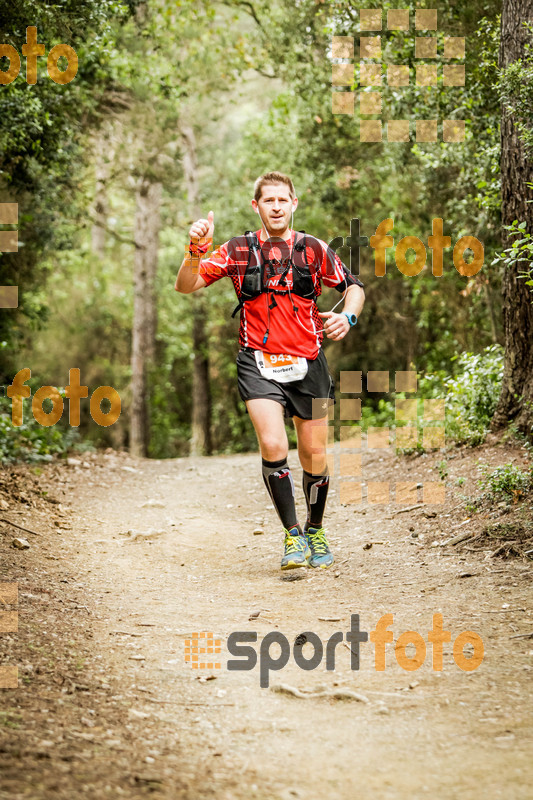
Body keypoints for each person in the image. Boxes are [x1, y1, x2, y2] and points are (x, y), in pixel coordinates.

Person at [175, 171, 365, 570]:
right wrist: (195, 248)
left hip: (309, 361)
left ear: (294, 203)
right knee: (275, 446)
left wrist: (347, 318)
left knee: (314, 452)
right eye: (268, 201)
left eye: (282, 200)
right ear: (256, 206)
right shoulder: (238, 249)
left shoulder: (313, 249)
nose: (276, 207)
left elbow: (353, 286)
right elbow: (187, 285)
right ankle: (292, 536)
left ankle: (315, 528)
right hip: (257, 361)